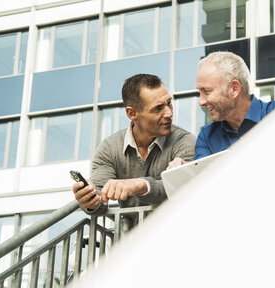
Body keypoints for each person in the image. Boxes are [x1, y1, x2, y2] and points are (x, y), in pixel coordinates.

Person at [72, 74, 196, 219]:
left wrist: (141, 185)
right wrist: (89, 201)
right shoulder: (109, 149)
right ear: (132, 113)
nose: (169, 113)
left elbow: (183, 186)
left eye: (169, 103)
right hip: (134, 239)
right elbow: (99, 198)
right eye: (158, 109)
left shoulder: (185, 141)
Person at [194, 51, 275, 159]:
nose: (201, 102)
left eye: (206, 91)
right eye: (200, 93)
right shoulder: (206, 137)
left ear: (234, 88)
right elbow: (203, 175)